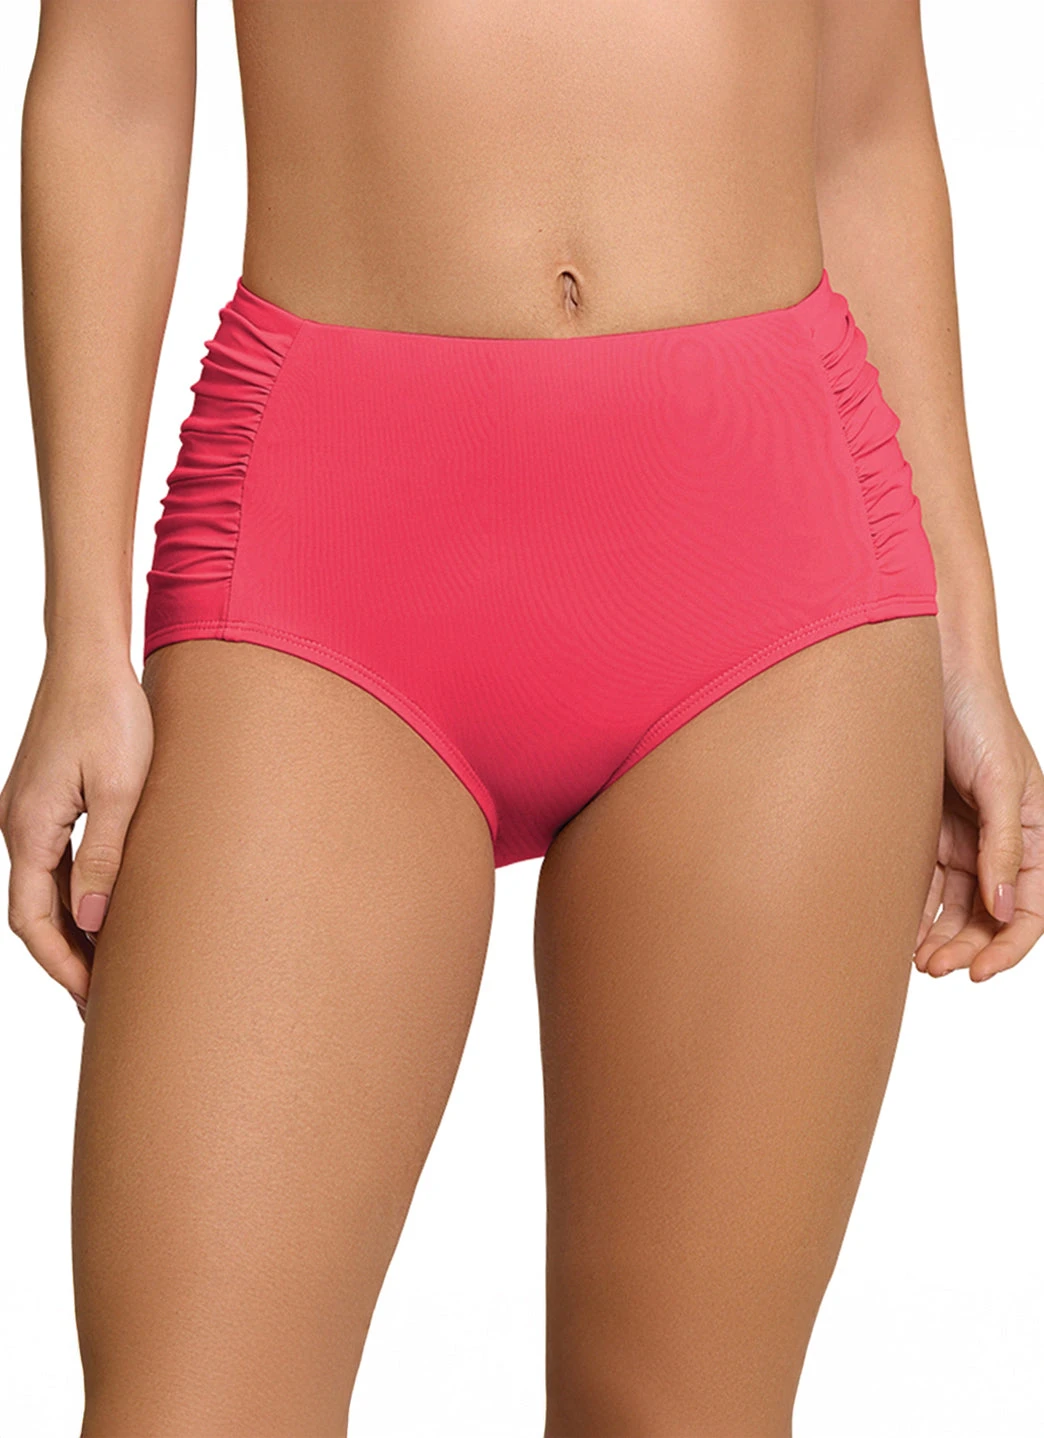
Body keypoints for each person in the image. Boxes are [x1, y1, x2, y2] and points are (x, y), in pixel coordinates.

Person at [2, 2, 1041, 1434]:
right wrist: (79, 639)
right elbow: (110, 91)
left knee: (679, 1413)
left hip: (773, 563)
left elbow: (863, 125)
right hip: (327, 547)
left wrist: (970, 645)